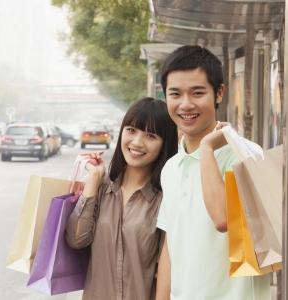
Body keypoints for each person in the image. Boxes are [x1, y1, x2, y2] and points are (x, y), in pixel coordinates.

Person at [155, 45, 270, 300]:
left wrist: (207, 150)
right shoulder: (171, 168)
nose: (186, 104)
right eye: (175, 94)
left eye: (197, 93)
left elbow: (223, 220)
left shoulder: (246, 154)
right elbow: (170, 247)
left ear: (219, 93)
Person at [66, 97, 178, 300]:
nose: (137, 142)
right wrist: (93, 178)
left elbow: (167, 269)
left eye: (151, 135)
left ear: (164, 144)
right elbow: (76, 239)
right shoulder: (102, 188)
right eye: (131, 130)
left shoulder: (167, 198)